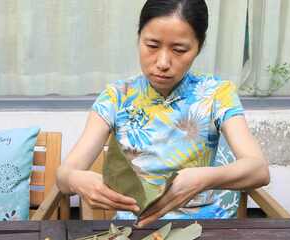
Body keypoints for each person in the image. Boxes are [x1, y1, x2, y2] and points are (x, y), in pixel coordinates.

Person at [56, 0, 270, 227]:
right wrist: (75, 178)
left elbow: (258, 170)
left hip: (203, 229)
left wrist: (205, 178)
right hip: (134, 230)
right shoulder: (117, 97)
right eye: (152, 45)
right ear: (139, 38)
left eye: (179, 50)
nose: (163, 63)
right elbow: (63, 175)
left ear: (198, 47)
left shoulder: (217, 94)